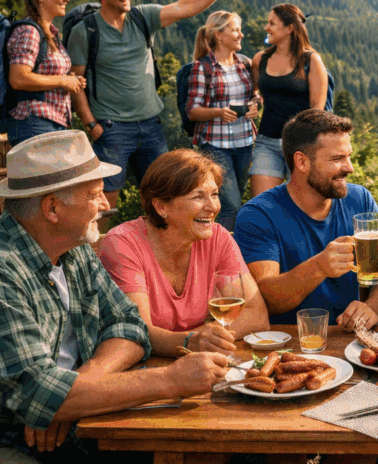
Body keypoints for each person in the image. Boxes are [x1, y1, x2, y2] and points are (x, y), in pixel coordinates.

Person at [0, 131, 228, 464]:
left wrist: (73, 393)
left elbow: (129, 325)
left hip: (75, 422)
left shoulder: (74, 250)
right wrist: (171, 379)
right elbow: (38, 392)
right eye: (95, 194)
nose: (105, 205)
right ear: (52, 208)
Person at [67, 0, 249, 219]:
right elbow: (76, 82)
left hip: (151, 126)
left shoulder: (142, 18)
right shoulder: (85, 32)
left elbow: (182, 7)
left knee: (167, 195)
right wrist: (90, 123)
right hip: (111, 128)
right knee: (105, 200)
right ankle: (96, 254)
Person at [234, 109, 378, 330]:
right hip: (290, 343)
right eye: (337, 158)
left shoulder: (360, 199)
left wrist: (373, 307)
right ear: (301, 162)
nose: (350, 167)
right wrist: (319, 266)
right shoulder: (258, 214)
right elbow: (266, 300)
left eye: (348, 156)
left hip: (348, 338)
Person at [99, 149, 268, 357]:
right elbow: (140, 333)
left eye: (214, 194)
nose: (213, 207)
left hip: (197, 363)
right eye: (198, 196)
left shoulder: (218, 237)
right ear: (161, 206)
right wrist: (194, 341)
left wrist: (201, 341)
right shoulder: (123, 244)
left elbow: (256, 314)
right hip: (143, 369)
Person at [185, 11, 259, 231]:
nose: (241, 35)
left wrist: (256, 103)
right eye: (235, 30)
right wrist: (218, 112)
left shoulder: (244, 63)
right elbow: (192, 110)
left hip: (245, 143)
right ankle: (218, 254)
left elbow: (255, 93)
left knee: (229, 203)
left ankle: (218, 245)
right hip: (216, 145)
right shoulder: (203, 67)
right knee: (231, 205)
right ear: (218, 34)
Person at [250, 3, 329, 196]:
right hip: (267, 142)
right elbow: (255, 92)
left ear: (289, 29)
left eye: (272, 23)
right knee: (262, 205)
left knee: (305, 204)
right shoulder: (260, 59)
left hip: (301, 144)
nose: (266, 28)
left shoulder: (311, 61)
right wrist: (254, 103)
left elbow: (317, 110)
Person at [5, 0, 86, 145]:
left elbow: (47, 74)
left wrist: (71, 81)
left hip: (52, 121)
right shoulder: (29, 31)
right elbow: (18, 78)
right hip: (34, 122)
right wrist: (62, 81)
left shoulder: (50, 32)